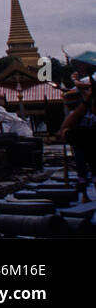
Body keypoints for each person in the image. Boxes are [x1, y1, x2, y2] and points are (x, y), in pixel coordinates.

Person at [59, 52, 96, 199]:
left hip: (87, 123)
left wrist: (78, 83)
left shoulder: (87, 80)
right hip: (83, 126)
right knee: (83, 160)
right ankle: (85, 190)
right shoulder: (82, 82)